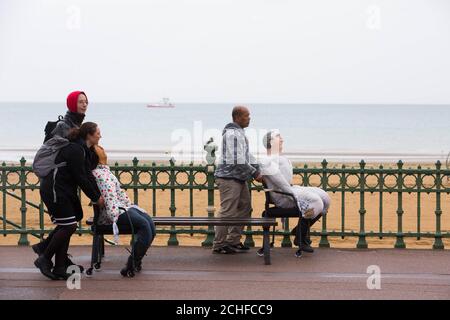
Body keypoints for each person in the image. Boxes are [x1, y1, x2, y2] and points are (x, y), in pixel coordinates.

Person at [34, 124, 105, 280]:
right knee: (68, 225)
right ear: (89, 135)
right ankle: (44, 258)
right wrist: (95, 198)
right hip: (55, 190)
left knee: (67, 224)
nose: (100, 136)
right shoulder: (76, 150)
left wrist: (98, 195)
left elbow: (87, 175)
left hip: (62, 190)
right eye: (98, 133)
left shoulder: (82, 150)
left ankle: (59, 266)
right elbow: (81, 178)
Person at [89, 128, 155, 275]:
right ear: (95, 155)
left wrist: (130, 206)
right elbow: (110, 198)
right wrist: (117, 216)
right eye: (98, 148)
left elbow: (119, 194)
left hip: (122, 208)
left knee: (150, 223)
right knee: (144, 225)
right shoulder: (100, 174)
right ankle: (131, 264)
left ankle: (135, 261)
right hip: (113, 214)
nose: (101, 147)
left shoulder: (105, 171)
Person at [33, 91, 90, 260]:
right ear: (72, 104)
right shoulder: (64, 126)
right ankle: (47, 254)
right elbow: (67, 155)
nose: (84, 104)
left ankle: (58, 259)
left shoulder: (76, 124)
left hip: (65, 183)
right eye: (80, 101)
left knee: (70, 221)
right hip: (57, 182)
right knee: (68, 224)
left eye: (86, 101)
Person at [260, 130, 331, 253]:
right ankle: (300, 236)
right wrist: (297, 195)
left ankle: (299, 230)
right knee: (316, 202)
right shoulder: (269, 161)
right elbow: (282, 185)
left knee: (325, 198)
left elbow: (286, 183)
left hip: (289, 191)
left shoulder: (279, 159)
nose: (282, 139)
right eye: (278, 137)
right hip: (283, 198)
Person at [213, 106, 262, 254]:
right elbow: (238, 159)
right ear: (238, 117)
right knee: (227, 212)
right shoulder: (232, 134)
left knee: (245, 208)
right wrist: (255, 173)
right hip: (229, 178)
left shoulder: (239, 133)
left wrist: (257, 166)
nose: (249, 118)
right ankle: (219, 244)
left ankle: (233, 240)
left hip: (238, 177)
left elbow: (246, 156)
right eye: (247, 116)